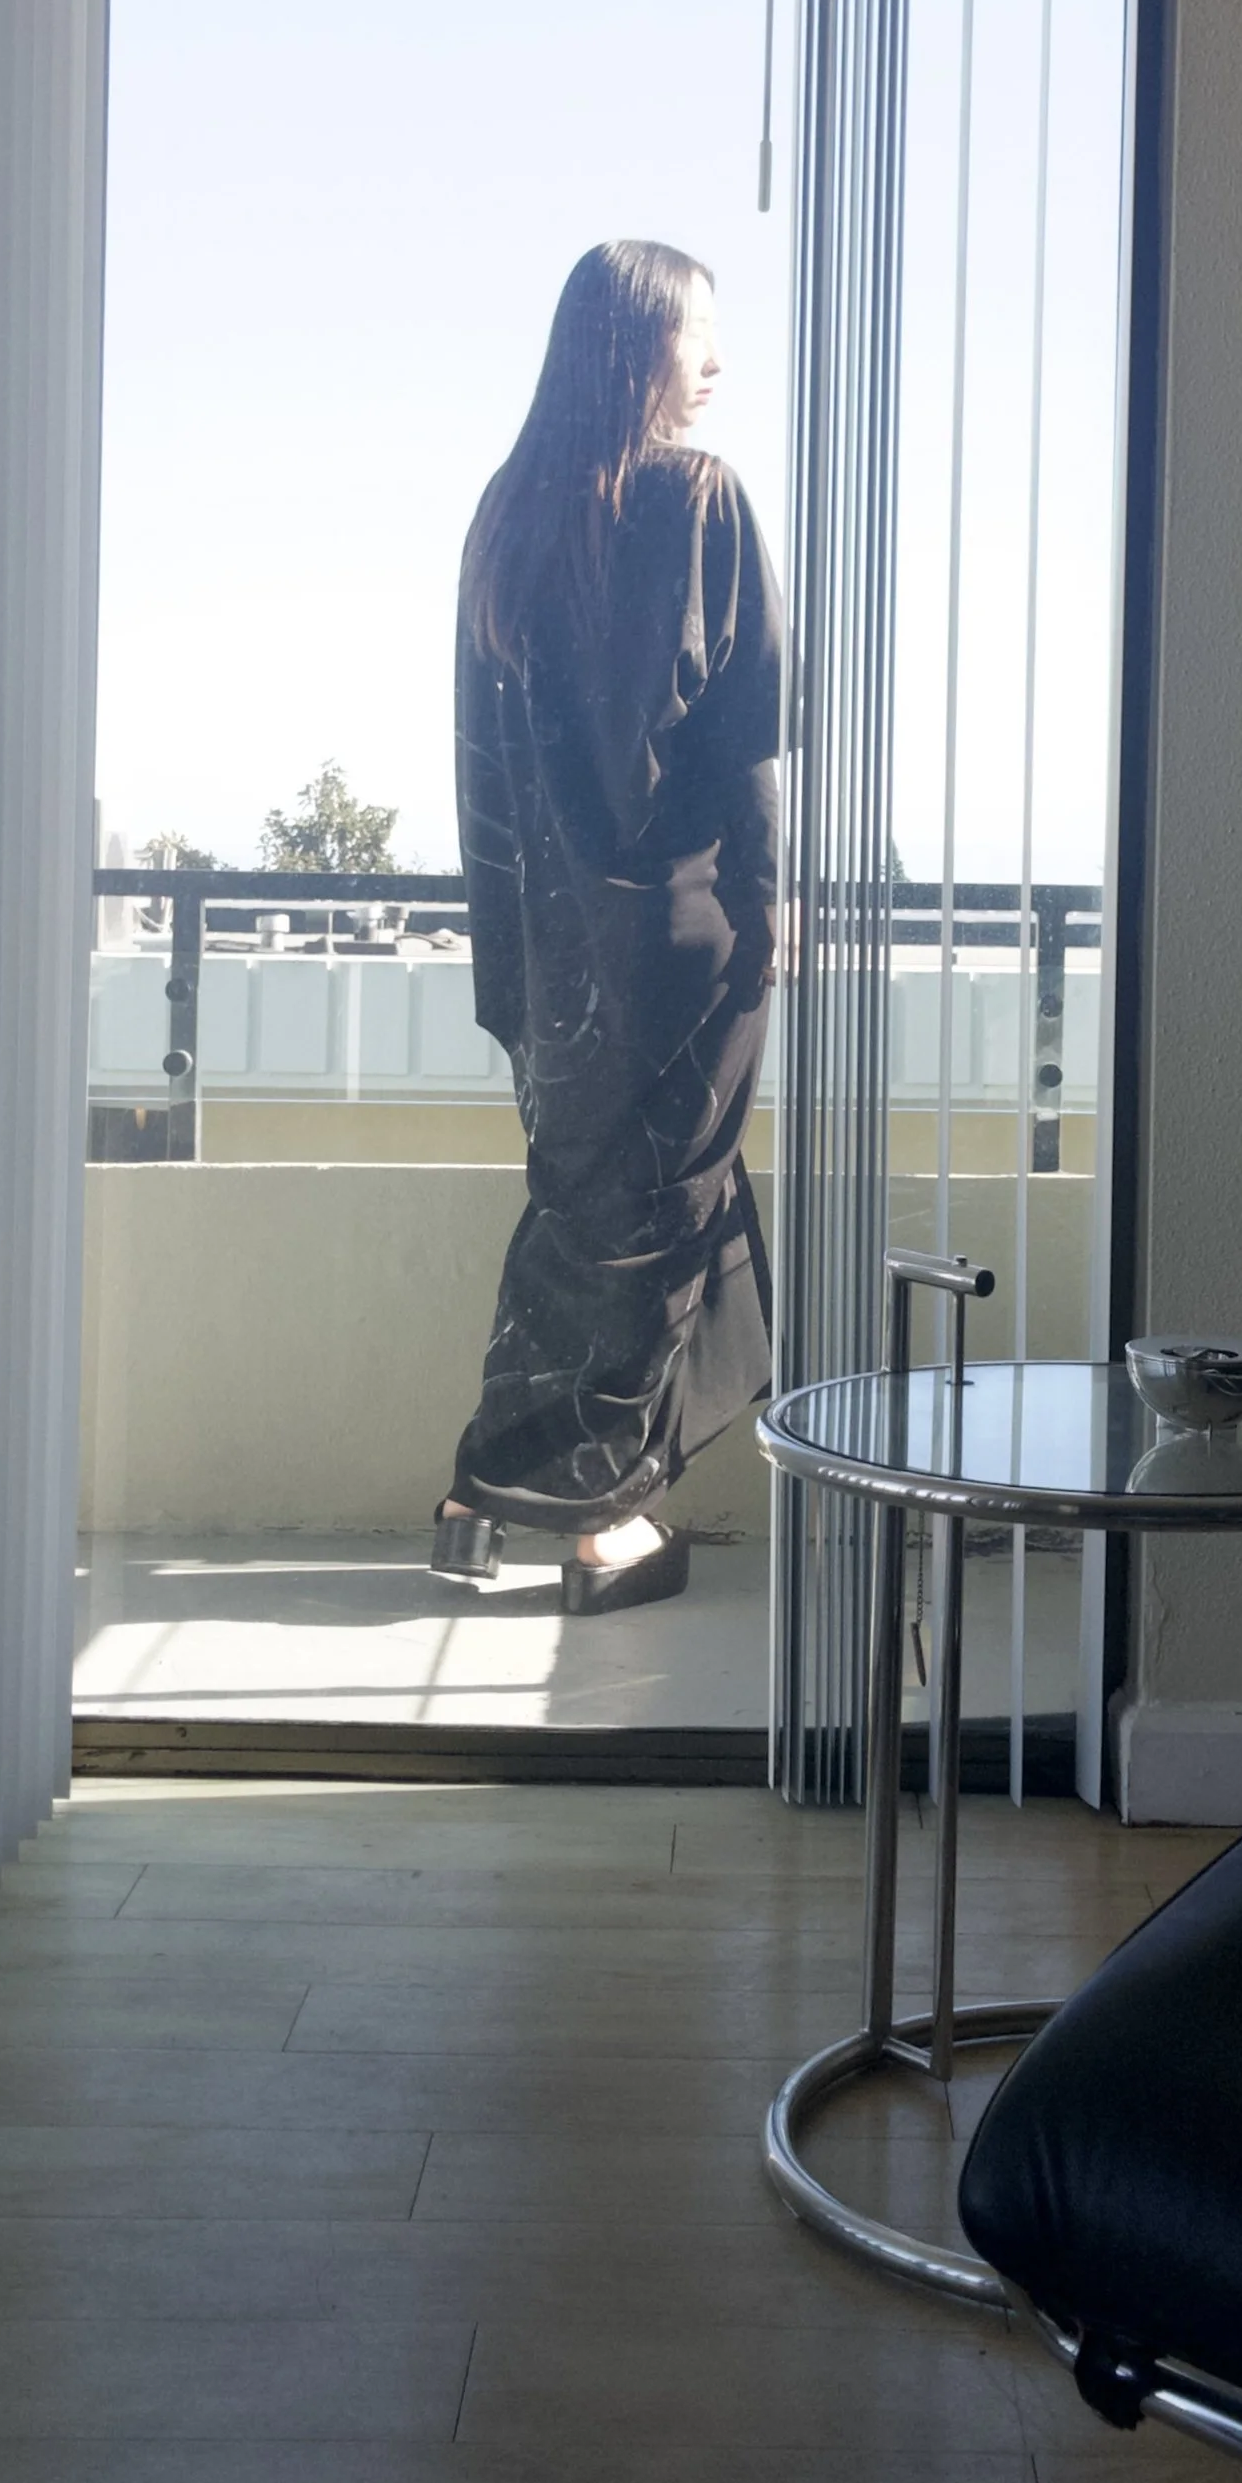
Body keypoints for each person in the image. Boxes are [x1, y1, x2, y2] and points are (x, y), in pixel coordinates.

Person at [435, 240, 784, 1616]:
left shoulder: (508, 518)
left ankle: (482, 1492)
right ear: (639, 349)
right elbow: (741, 738)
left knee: (579, 1210)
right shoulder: (699, 500)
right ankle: (601, 1527)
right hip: (685, 940)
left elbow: (483, 767)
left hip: (552, 951)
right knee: (663, 1225)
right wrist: (767, 913)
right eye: (700, 336)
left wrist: (516, 961)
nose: (716, 364)